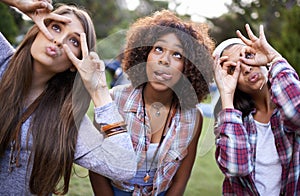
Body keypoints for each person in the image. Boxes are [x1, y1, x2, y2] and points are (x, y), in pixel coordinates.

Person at [0, 0, 137, 195]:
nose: (59, 41)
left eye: (73, 41)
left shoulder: (67, 120)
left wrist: (99, 91)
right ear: (38, 28)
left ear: (76, 62)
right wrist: (18, 3)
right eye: (56, 27)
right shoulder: (2, 59)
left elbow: (124, 167)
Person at [89, 9, 215, 195]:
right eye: (158, 49)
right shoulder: (113, 100)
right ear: (144, 54)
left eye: (177, 55)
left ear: (189, 68)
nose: (164, 60)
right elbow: (97, 168)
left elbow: (180, 181)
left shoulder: (193, 118)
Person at [213, 23, 300, 195]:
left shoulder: (288, 98)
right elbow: (236, 168)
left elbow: (296, 113)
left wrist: (274, 58)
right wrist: (227, 94)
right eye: (233, 68)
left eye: (248, 56)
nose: (245, 68)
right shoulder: (234, 122)